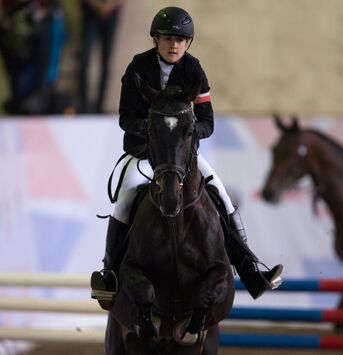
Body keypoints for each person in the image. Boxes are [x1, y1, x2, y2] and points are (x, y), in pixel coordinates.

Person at [90, 6, 283, 310]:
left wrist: (188, 132)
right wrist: (155, 131)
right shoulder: (137, 67)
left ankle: (249, 269)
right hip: (144, 152)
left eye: (181, 40)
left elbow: (207, 120)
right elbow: (126, 117)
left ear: (188, 43)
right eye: (168, 38)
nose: (174, 45)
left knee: (221, 195)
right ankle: (109, 274)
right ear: (156, 39)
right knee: (125, 198)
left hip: (182, 156)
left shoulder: (193, 69)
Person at [78, 0, 124, 113]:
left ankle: (100, 105)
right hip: (90, 13)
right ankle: (83, 105)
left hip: (111, 15)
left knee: (106, 61)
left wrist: (109, 6)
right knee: (85, 59)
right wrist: (98, 5)